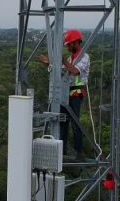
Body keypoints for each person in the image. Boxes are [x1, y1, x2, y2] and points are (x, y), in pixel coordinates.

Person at [39, 29, 91, 161]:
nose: (67, 47)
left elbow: (74, 71)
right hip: (66, 91)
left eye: (68, 44)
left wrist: (63, 62)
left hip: (77, 91)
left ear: (75, 42)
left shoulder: (84, 57)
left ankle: (79, 151)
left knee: (75, 122)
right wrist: (49, 65)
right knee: (63, 121)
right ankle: (62, 150)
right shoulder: (70, 58)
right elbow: (62, 72)